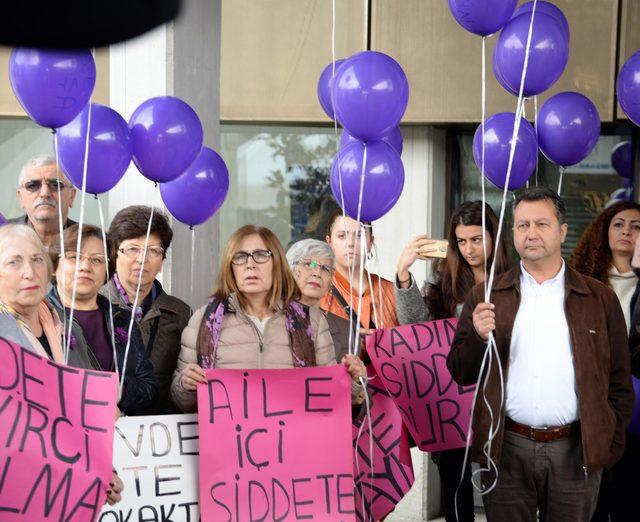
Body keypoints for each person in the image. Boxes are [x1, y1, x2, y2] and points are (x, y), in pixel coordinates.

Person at [448, 187, 634, 521]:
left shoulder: (599, 299)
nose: (530, 233)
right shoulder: (487, 295)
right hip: (506, 446)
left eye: (541, 224)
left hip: (576, 449)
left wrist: (608, 446)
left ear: (562, 231)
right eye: (522, 225)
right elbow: (461, 372)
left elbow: (619, 382)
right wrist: (477, 336)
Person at [395, 201, 511, 522]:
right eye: (461, 241)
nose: (469, 249)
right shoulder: (446, 283)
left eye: (477, 239)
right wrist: (403, 275)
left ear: (494, 237)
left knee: (501, 492)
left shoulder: (515, 281)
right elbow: (418, 332)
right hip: (451, 404)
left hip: (501, 403)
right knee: (456, 495)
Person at [170, 225, 365, 412]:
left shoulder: (311, 321)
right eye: (240, 256)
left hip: (294, 443)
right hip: (229, 444)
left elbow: (329, 396)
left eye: (261, 255)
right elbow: (181, 401)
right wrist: (185, 385)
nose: (250, 264)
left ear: (277, 264)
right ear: (230, 267)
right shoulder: (204, 321)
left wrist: (355, 383)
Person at [0, 224, 123, 505]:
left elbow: (83, 415)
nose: (29, 272)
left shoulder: (67, 329)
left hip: (65, 491)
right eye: (14, 262)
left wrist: (105, 473)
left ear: (49, 269)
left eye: (37, 259)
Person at [571, 200, 640, 522]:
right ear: (604, 230)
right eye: (619, 224)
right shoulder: (584, 281)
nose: (627, 231)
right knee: (591, 500)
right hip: (590, 402)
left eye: (636, 226)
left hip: (635, 408)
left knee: (630, 496)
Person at [48, 224, 159, 416]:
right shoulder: (38, 316)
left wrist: (116, 390)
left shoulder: (122, 319)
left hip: (116, 438)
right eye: (74, 257)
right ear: (53, 266)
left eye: (97, 260)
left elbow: (150, 390)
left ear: (108, 271)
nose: (85, 267)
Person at [101, 205, 191, 414]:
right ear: (115, 253)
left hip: (160, 433)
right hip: (105, 426)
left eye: (153, 251)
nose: (143, 259)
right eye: (133, 249)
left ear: (162, 260)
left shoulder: (180, 313)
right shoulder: (95, 304)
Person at [286, 238, 366, 404]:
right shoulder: (266, 321)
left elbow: (358, 411)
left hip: (323, 424)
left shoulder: (346, 330)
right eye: (308, 264)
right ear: (289, 272)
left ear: (331, 282)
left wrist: (358, 383)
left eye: (325, 268)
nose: (316, 273)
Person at [321, 212, 398, 331]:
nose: (351, 243)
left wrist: (404, 276)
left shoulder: (391, 291)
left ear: (371, 242)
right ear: (329, 241)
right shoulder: (317, 290)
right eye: (342, 236)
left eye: (359, 235)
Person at [8, 155, 77, 247]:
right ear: (21, 197)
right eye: (32, 185)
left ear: (71, 196)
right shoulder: (4, 234)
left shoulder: (91, 241)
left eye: (55, 185)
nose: (44, 193)